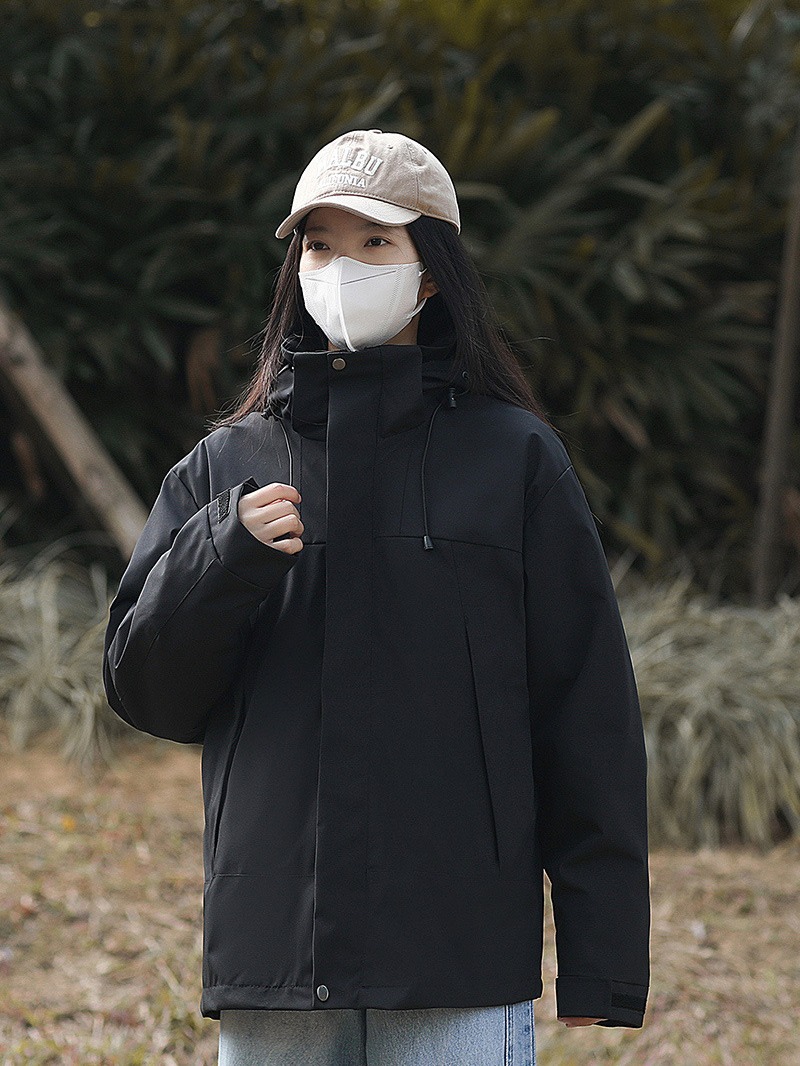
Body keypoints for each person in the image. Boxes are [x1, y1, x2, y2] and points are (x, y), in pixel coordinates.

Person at [102, 128, 651, 1066]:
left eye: (374, 244)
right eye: (320, 244)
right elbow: (147, 693)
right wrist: (221, 555)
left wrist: (605, 962)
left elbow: (585, 711)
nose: (343, 268)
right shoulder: (226, 465)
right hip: (275, 948)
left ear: (430, 272)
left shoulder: (513, 460)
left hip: (455, 953)